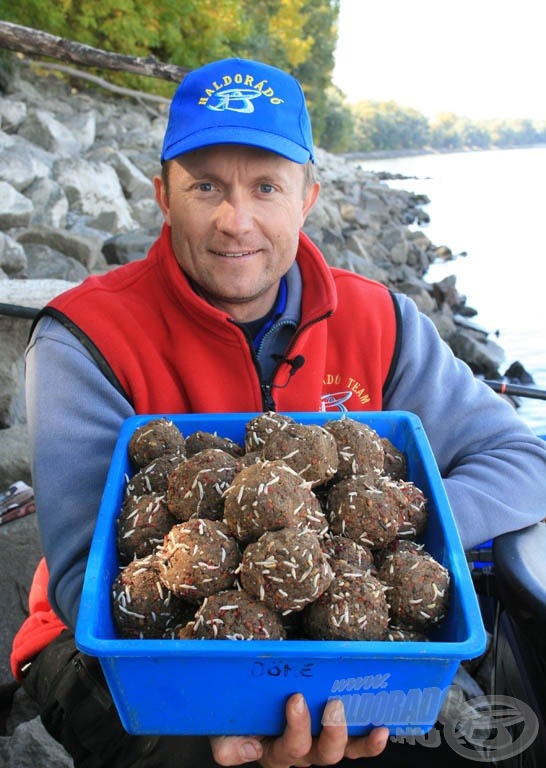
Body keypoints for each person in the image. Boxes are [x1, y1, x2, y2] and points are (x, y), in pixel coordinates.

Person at [10, 57, 546, 768]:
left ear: (308, 198)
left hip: (349, 635)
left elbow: (524, 462)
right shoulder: (85, 339)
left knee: (476, 745)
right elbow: (94, 589)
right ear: (163, 197)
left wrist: (400, 525)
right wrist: (256, 689)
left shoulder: (380, 319)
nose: (237, 222)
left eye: (266, 187)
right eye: (206, 186)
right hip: (122, 658)